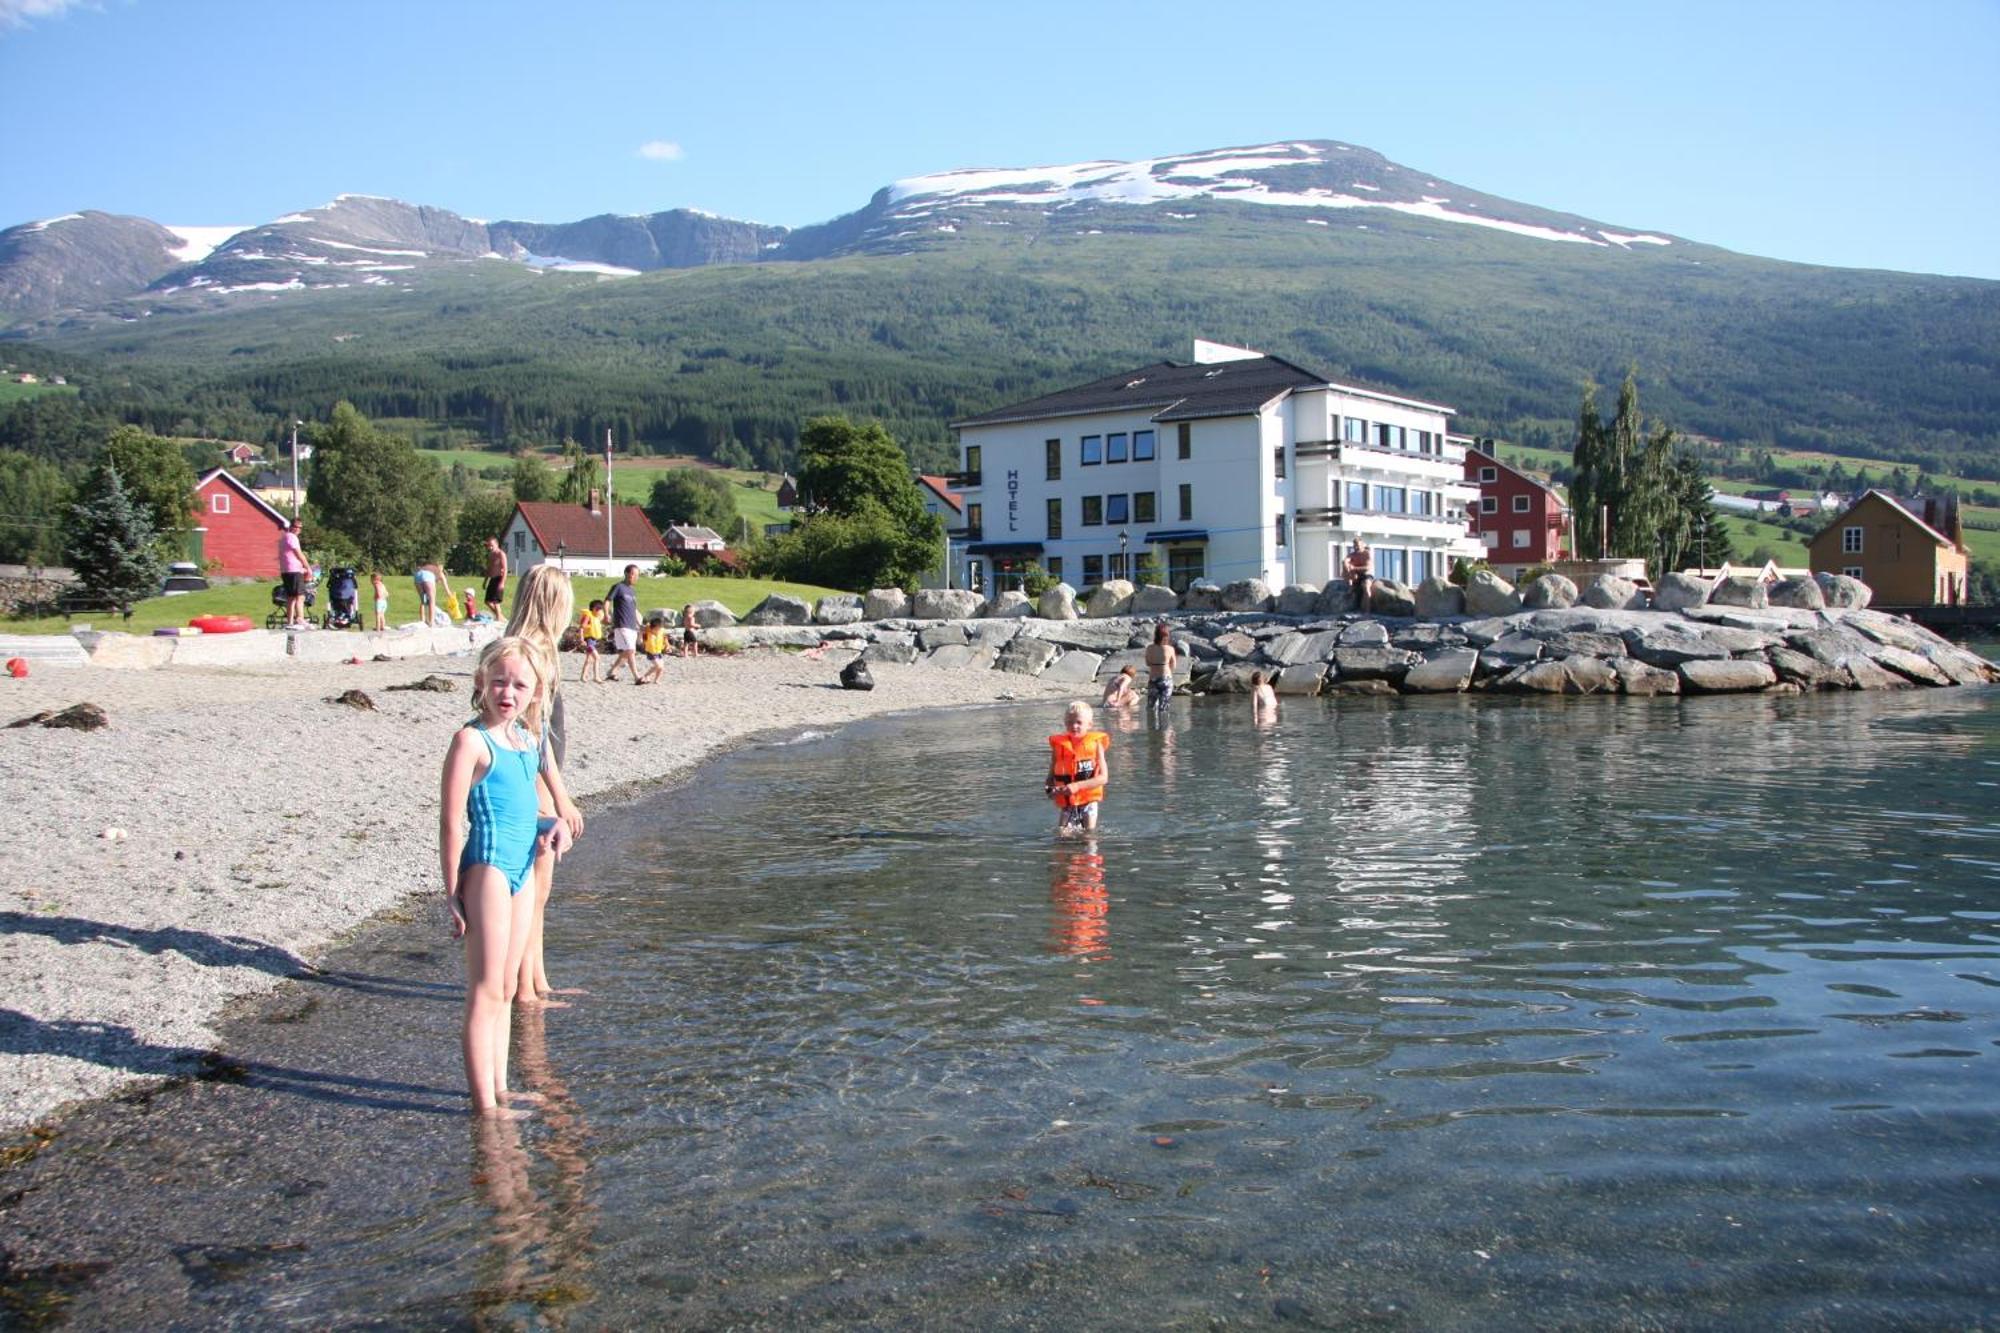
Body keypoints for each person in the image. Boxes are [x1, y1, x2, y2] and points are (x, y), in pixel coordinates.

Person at [439, 635, 572, 1114]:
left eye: (519, 685)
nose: (507, 693)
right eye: (498, 682)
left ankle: (499, 1087)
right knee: (487, 987)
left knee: (509, 988)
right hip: (489, 869)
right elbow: (453, 821)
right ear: (480, 682)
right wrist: (452, 890)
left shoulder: (528, 740)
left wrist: (551, 822)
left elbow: (522, 813)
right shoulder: (471, 741)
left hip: (522, 867)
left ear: (536, 693)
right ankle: (485, 1107)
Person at [503, 565, 585, 1006]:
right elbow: (535, 736)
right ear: (556, 603)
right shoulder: (536, 655)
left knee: (536, 891)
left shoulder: (527, 648)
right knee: (533, 890)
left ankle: (537, 982)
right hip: (532, 783)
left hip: (532, 780)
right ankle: (524, 990)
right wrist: (559, 798)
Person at [1046, 700, 1111, 835]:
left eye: (1079, 722)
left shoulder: (1096, 744)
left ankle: (1090, 854)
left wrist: (1077, 786)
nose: (1074, 726)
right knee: (1062, 834)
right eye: (1069, 722)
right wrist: (1050, 788)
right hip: (1067, 800)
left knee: (1088, 835)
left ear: (1089, 725)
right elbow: (1052, 772)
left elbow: (1103, 778)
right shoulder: (1059, 746)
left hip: (1088, 800)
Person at [602, 565, 642, 683]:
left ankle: (612, 672)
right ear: (627, 573)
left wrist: (639, 625)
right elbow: (607, 601)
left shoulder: (632, 591)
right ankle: (637, 676)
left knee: (628, 651)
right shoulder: (618, 587)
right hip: (621, 624)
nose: (636, 578)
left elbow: (634, 610)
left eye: (637, 575)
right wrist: (606, 614)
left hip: (632, 626)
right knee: (630, 650)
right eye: (634, 574)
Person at [278, 518, 310, 629]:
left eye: (300, 527)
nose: (297, 529)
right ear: (291, 526)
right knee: (300, 596)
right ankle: (300, 619)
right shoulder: (292, 537)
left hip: (286, 571)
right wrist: (307, 568)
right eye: (295, 526)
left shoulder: (284, 537)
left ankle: (290, 622)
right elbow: (298, 554)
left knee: (291, 597)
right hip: (294, 571)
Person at [1143, 622, 1178, 711]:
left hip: (1153, 678)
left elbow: (1147, 663)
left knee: (1151, 707)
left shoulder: (1149, 648)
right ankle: (1164, 724)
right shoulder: (1170, 649)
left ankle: (1151, 724)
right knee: (1164, 708)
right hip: (1166, 678)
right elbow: (1173, 665)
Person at [415, 561, 455, 628]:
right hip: (427, 576)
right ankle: (431, 622)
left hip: (418, 575)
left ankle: (422, 620)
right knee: (432, 601)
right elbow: (447, 591)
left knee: (423, 601)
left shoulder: (429, 568)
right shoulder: (440, 573)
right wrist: (452, 597)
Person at [578, 600, 605, 682]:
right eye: (598, 609)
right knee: (597, 658)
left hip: (593, 641)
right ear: (593, 608)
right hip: (589, 641)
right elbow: (582, 628)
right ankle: (596, 677)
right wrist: (581, 639)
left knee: (589, 659)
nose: (599, 611)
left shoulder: (596, 617)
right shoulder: (588, 616)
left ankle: (583, 677)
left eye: (600, 609)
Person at [484, 537, 509, 620]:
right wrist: (485, 581)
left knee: (496, 601)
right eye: (489, 546)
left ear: (496, 545)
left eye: (492, 545)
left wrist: (502, 583)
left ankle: (499, 618)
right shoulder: (491, 555)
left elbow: (505, 569)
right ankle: (501, 617)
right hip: (492, 579)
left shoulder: (501, 554)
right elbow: (489, 568)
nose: (490, 547)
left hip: (499, 579)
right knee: (487, 601)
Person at [1346, 537, 1373, 612]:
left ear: (1362, 545)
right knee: (1345, 565)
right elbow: (1345, 561)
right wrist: (1347, 566)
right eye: (1354, 546)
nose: (1356, 547)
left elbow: (1367, 568)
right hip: (1355, 576)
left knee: (1366, 587)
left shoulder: (1367, 554)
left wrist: (1354, 568)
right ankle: (1350, 585)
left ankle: (1367, 611)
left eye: (1357, 545)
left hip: (1366, 575)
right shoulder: (1352, 554)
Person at [640, 618, 668, 684]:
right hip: (651, 652)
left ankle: (656, 680)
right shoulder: (648, 632)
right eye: (657, 629)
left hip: (658, 651)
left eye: (660, 628)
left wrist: (667, 646)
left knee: (661, 667)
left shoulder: (661, 631)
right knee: (658, 666)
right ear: (652, 628)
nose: (658, 630)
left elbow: (665, 639)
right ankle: (645, 676)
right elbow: (643, 628)